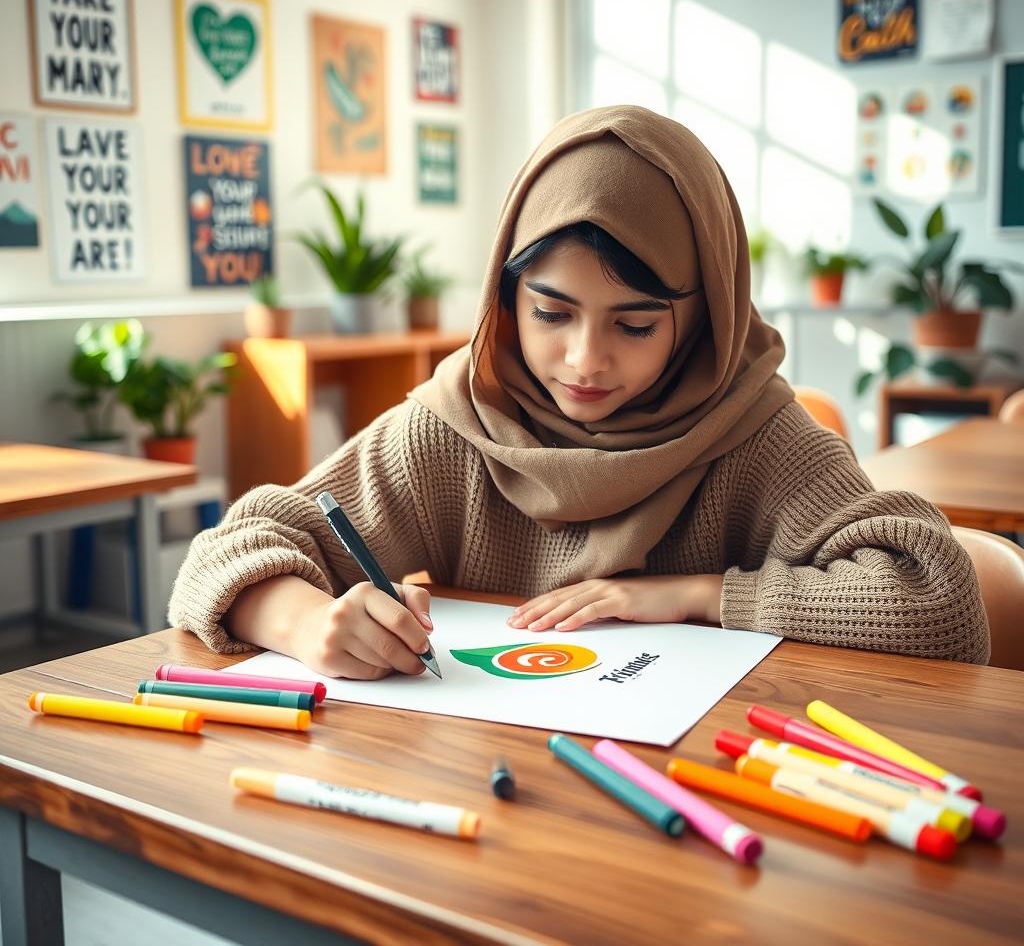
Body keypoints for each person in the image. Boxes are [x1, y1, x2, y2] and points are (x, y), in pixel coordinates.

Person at [168, 105, 989, 676]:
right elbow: (222, 554)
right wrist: (304, 623)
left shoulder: (754, 433)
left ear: (703, 317)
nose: (585, 360)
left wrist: (696, 596)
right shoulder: (457, 429)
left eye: (635, 325)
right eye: (551, 312)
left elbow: (941, 604)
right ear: (504, 296)